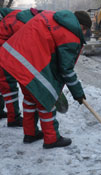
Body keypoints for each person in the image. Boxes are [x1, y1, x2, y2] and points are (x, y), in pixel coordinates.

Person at [0, 10, 91, 149]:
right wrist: (77, 93)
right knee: (46, 98)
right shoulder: (71, 34)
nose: (84, 35)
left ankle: (30, 133)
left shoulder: (52, 17)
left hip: (16, 56)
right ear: (82, 27)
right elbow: (66, 69)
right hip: (30, 60)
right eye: (85, 31)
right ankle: (52, 138)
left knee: (30, 97)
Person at [0, 8, 40, 127]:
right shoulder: (24, 25)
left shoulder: (15, 13)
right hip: (2, 51)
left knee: (3, 84)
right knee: (8, 85)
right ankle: (14, 119)